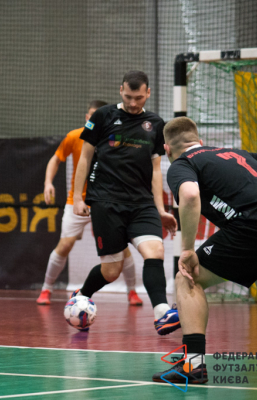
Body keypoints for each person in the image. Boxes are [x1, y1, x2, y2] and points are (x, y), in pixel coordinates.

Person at [153, 117, 257, 384]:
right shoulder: (234, 152)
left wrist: (187, 249)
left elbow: (190, 196)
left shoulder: (182, 164)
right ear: (200, 141)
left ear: (166, 149)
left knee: (187, 277)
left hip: (252, 225)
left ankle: (192, 366)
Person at [72, 71, 179, 335]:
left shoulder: (155, 124)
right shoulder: (103, 116)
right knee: (111, 271)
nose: (133, 103)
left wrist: (160, 209)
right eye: (129, 96)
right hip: (106, 201)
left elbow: (156, 170)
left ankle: (162, 313)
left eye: (138, 97)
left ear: (148, 93)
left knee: (155, 251)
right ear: (121, 90)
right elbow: (85, 158)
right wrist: (77, 197)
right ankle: (82, 295)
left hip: (142, 204)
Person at [36, 100, 143, 306]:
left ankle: (132, 291)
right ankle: (46, 289)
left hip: (107, 202)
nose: (96, 120)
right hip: (77, 201)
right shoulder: (75, 136)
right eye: (93, 116)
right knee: (65, 245)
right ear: (87, 118)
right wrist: (48, 182)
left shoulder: (115, 139)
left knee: (122, 248)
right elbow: (55, 159)